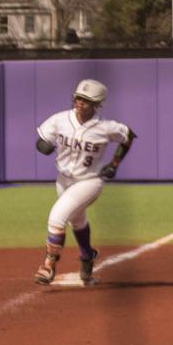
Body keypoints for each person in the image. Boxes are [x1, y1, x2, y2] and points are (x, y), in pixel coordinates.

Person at [34, 79, 135, 286]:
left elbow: (128, 136)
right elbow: (41, 140)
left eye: (86, 100)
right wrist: (41, 145)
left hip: (89, 181)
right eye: (78, 98)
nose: (80, 102)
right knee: (77, 221)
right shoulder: (60, 119)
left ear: (97, 104)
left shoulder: (106, 127)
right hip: (63, 180)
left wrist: (114, 164)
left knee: (57, 217)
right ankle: (88, 256)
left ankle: (48, 266)